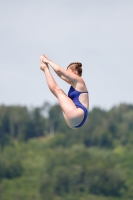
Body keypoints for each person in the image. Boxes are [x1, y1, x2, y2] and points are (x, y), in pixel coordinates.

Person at [40, 54, 89, 129]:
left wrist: (47, 62)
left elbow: (59, 70)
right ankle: (45, 68)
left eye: (68, 72)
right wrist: (49, 62)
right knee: (59, 93)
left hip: (77, 115)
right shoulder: (75, 84)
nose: (66, 74)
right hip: (77, 120)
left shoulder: (79, 81)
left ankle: (45, 69)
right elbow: (60, 75)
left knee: (58, 91)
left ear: (75, 72)